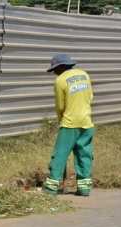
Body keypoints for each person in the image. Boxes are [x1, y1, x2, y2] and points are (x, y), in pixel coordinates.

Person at [44, 54, 95, 197]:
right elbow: (90, 96)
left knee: (60, 156)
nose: (54, 72)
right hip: (87, 123)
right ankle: (84, 189)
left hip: (70, 124)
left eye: (54, 69)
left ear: (60, 67)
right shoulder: (84, 75)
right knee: (84, 155)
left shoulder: (60, 80)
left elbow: (60, 106)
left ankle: (51, 188)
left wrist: (61, 120)